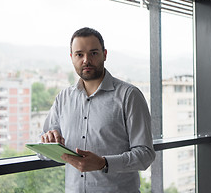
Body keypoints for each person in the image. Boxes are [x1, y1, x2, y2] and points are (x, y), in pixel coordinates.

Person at [40, 27, 155, 193]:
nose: (86, 60)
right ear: (71, 58)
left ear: (105, 54)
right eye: (79, 54)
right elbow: (42, 151)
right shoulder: (63, 98)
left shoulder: (129, 96)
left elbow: (145, 155)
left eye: (93, 53)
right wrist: (48, 142)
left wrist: (104, 163)